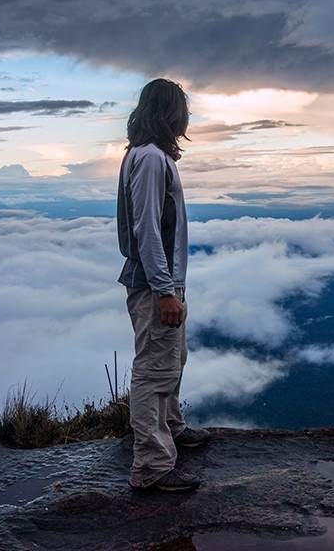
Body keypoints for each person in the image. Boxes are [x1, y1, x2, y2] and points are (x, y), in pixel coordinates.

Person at [117, 78, 211, 493]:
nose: (186, 117)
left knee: (173, 359)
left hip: (163, 282)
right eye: (182, 109)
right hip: (157, 283)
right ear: (170, 112)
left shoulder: (142, 154)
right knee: (155, 369)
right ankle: (153, 466)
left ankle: (170, 428)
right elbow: (148, 229)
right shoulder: (152, 158)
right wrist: (165, 289)